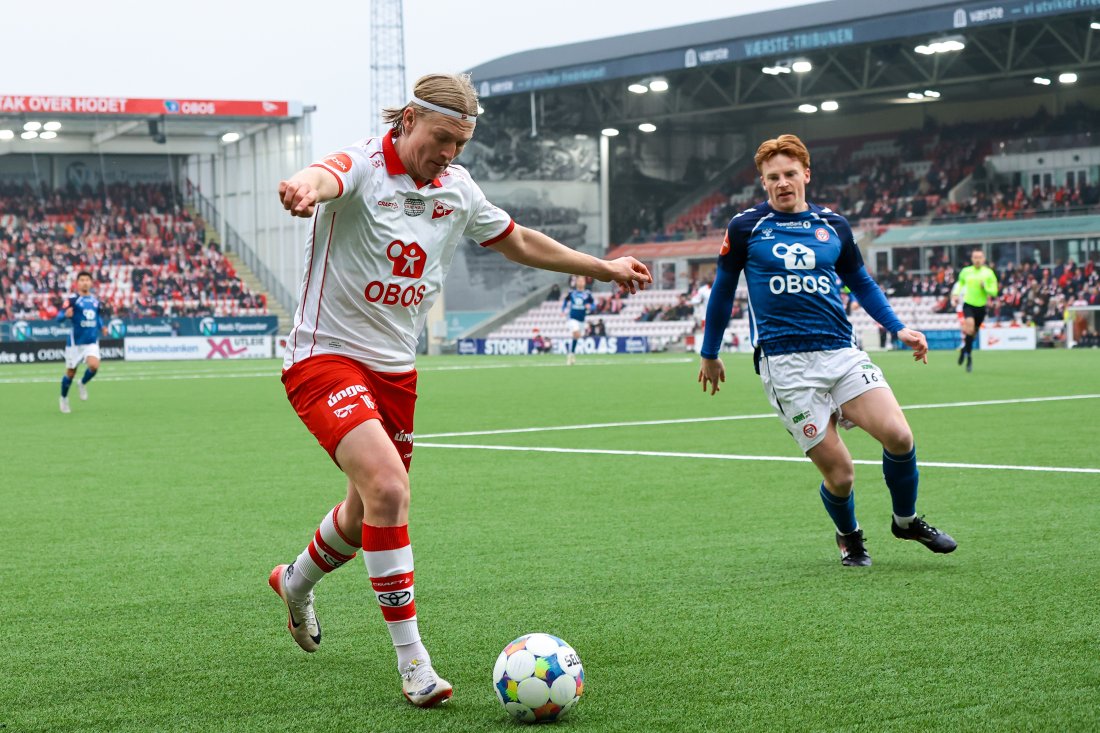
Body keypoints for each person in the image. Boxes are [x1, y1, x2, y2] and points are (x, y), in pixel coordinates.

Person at [270, 73, 651, 709]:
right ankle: (414, 663)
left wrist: (602, 267)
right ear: (407, 121)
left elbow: (518, 240)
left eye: (461, 144)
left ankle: (295, 581)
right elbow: (324, 175)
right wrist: (303, 187)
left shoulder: (458, 189)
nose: (448, 153)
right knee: (390, 489)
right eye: (442, 138)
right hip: (324, 358)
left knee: (364, 515)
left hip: (396, 371)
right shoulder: (363, 165)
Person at [697, 134, 956, 568]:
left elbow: (861, 283)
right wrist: (710, 351)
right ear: (763, 182)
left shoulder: (834, 225)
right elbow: (723, 290)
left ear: (806, 174)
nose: (782, 183)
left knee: (899, 436)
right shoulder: (745, 227)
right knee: (841, 475)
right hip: (786, 365)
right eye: (772, 177)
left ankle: (906, 521)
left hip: (840, 351)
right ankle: (849, 536)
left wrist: (898, 328)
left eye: (789, 174)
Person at [56, 271, 106, 413]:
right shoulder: (73, 300)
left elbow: (97, 317)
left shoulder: (95, 301)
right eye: (82, 280)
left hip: (91, 341)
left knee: (94, 366)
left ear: (91, 283)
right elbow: (59, 317)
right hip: (75, 343)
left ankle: (82, 383)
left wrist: (102, 326)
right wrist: (65, 315)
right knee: (70, 373)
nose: (85, 282)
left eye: (87, 280)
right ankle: (63, 398)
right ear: (77, 283)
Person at [951, 248, 999, 372]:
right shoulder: (966, 271)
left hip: (981, 307)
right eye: (975, 257)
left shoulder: (989, 273)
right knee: (970, 328)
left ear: (983, 259)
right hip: (968, 304)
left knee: (972, 335)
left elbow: (994, 292)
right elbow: (960, 284)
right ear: (972, 259)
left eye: (980, 257)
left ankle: (964, 350)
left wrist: (985, 287)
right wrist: (955, 294)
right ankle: (969, 358)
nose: (977, 260)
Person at [562, 275, 595, 365]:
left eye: (582, 281)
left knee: (576, 337)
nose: (580, 282)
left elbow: (593, 304)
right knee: (576, 333)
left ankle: (571, 353)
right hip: (572, 318)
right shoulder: (572, 292)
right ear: (576, 282)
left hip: (582, 320)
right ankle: (570, 353)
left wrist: (590, 307)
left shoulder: (587, 294)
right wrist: (563, 310)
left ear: (584, 282)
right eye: (579, 281)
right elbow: (565, 301)